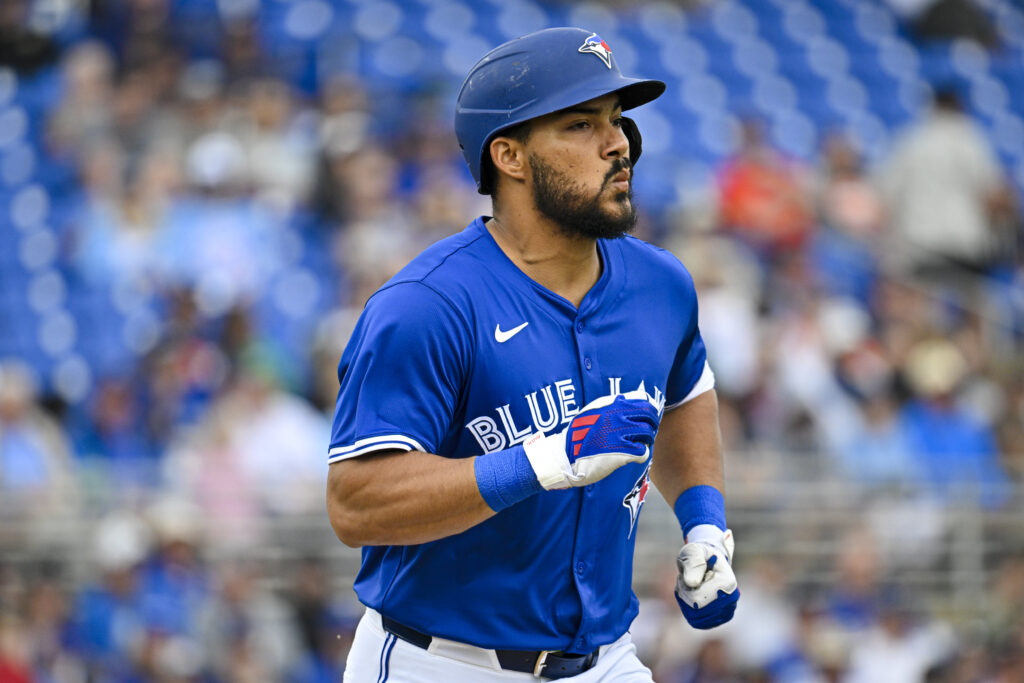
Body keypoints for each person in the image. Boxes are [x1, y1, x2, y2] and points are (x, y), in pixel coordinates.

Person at [325, 27, 740, 682]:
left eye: (617, 120)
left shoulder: (662, 285)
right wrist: (542, 459)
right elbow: (356, 502)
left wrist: (704, 525)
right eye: (580, 124)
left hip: (606, 660)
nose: (619, 143)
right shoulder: (426, 305)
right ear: (510, 156)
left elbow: (686, 392)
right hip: (439, 660)